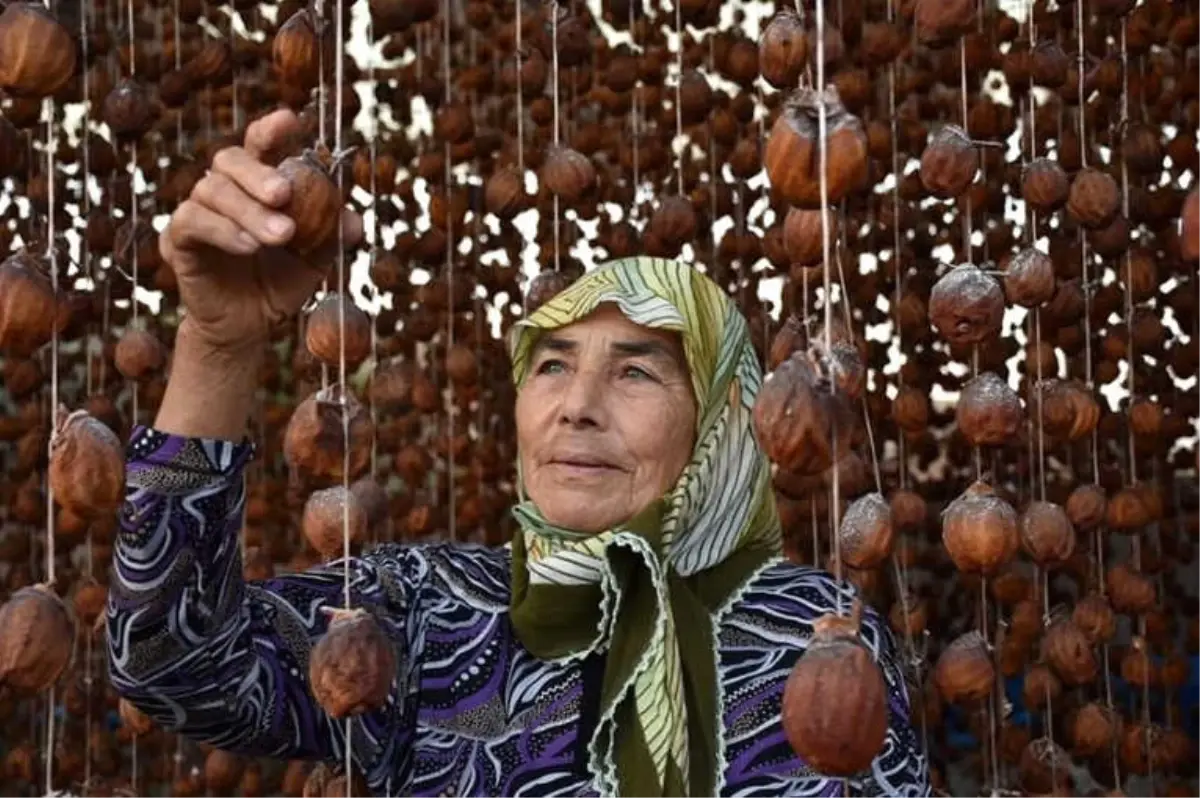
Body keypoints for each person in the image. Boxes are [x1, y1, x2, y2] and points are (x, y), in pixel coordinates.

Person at [107, 107, 930, 797]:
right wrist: (218, 346)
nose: (577, 408)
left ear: (719, 424)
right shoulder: (432, 611)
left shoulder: (814, 632)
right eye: (552, 366)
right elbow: (172, 662)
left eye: (636, 372)